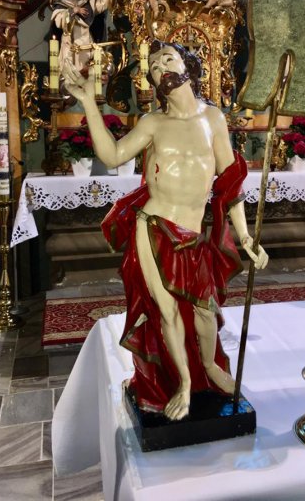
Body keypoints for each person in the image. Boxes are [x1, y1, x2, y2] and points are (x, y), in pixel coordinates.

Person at [63, 40, 268, 421]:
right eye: (155, 67)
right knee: (168, 311)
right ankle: (185, 384)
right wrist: (88, 102)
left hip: (193, 235)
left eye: (168, 59)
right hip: (153, 227)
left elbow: (229, 183)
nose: (162, 68)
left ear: (188, 67)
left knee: (205, 310)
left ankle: (209, 366)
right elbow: (112, 155)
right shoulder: (153, 123)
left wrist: (244, 237)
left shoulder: (213, 119)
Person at [51, 0, 115, 78]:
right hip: (71, 47)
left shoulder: (87, 2)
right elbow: (59, 22)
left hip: (87, 45)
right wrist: (74, 10)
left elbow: (104, 3)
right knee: (71, 78)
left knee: (98, 71)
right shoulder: (61, 6)